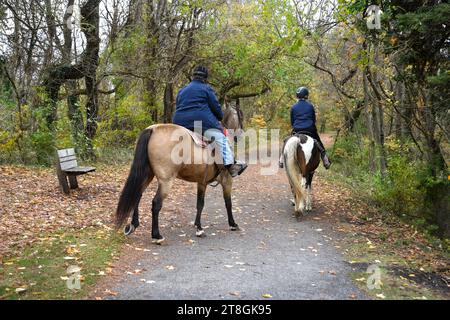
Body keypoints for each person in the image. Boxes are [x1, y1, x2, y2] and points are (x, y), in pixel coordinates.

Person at [173, 65, 247, 177]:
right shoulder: (206, 89)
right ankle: (231, 166)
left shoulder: (182, 90)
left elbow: (178, 106)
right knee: (221, 138)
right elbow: (216, 108)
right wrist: (219, 117)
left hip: (179, 122)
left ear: (193, 76)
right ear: (205, 78)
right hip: (201, 123)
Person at [279, 86, 331, 169]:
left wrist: (296, 126)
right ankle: (325, 159)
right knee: (318, 142)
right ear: (306, 95)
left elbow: (292, 121)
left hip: (297, 129)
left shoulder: (293, 107)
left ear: (297, 96)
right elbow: (313, 119)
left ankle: (281, 159)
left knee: (287, 140)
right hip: (310, 129)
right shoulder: (310, 106)